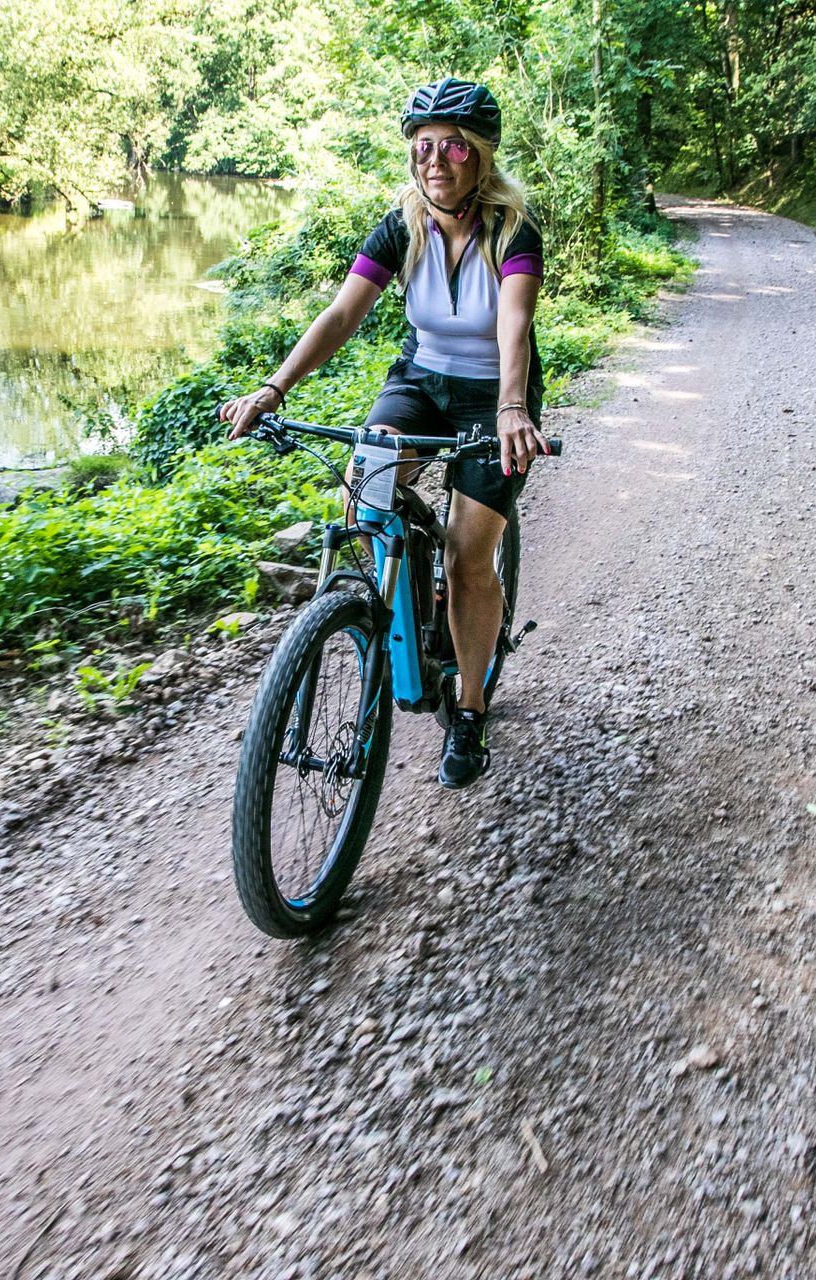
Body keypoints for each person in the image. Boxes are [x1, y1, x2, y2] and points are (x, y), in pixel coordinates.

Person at [220, 77, 550, 790]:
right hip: (420, 383)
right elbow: (342, 315)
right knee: (364, 494)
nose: (436, 159)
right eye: (423, 146)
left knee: (468, 556)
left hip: (496, 394)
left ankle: (467, 709)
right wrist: (274, 387)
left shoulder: (513, 231)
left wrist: (513, 408)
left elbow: (514, 325)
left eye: (454, 146)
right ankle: (408, 592)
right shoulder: (401, 227)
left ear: (481, 157)